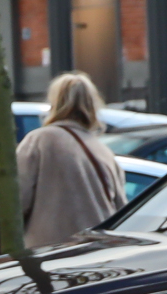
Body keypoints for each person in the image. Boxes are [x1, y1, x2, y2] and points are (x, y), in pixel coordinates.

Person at [15, 71, 126, 250]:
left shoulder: (39, 139)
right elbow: (121, 211)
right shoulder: (103, 151)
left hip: (48, 253)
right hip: (97, 253)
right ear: (92, 105)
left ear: (55, 102)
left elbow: (17, 201)